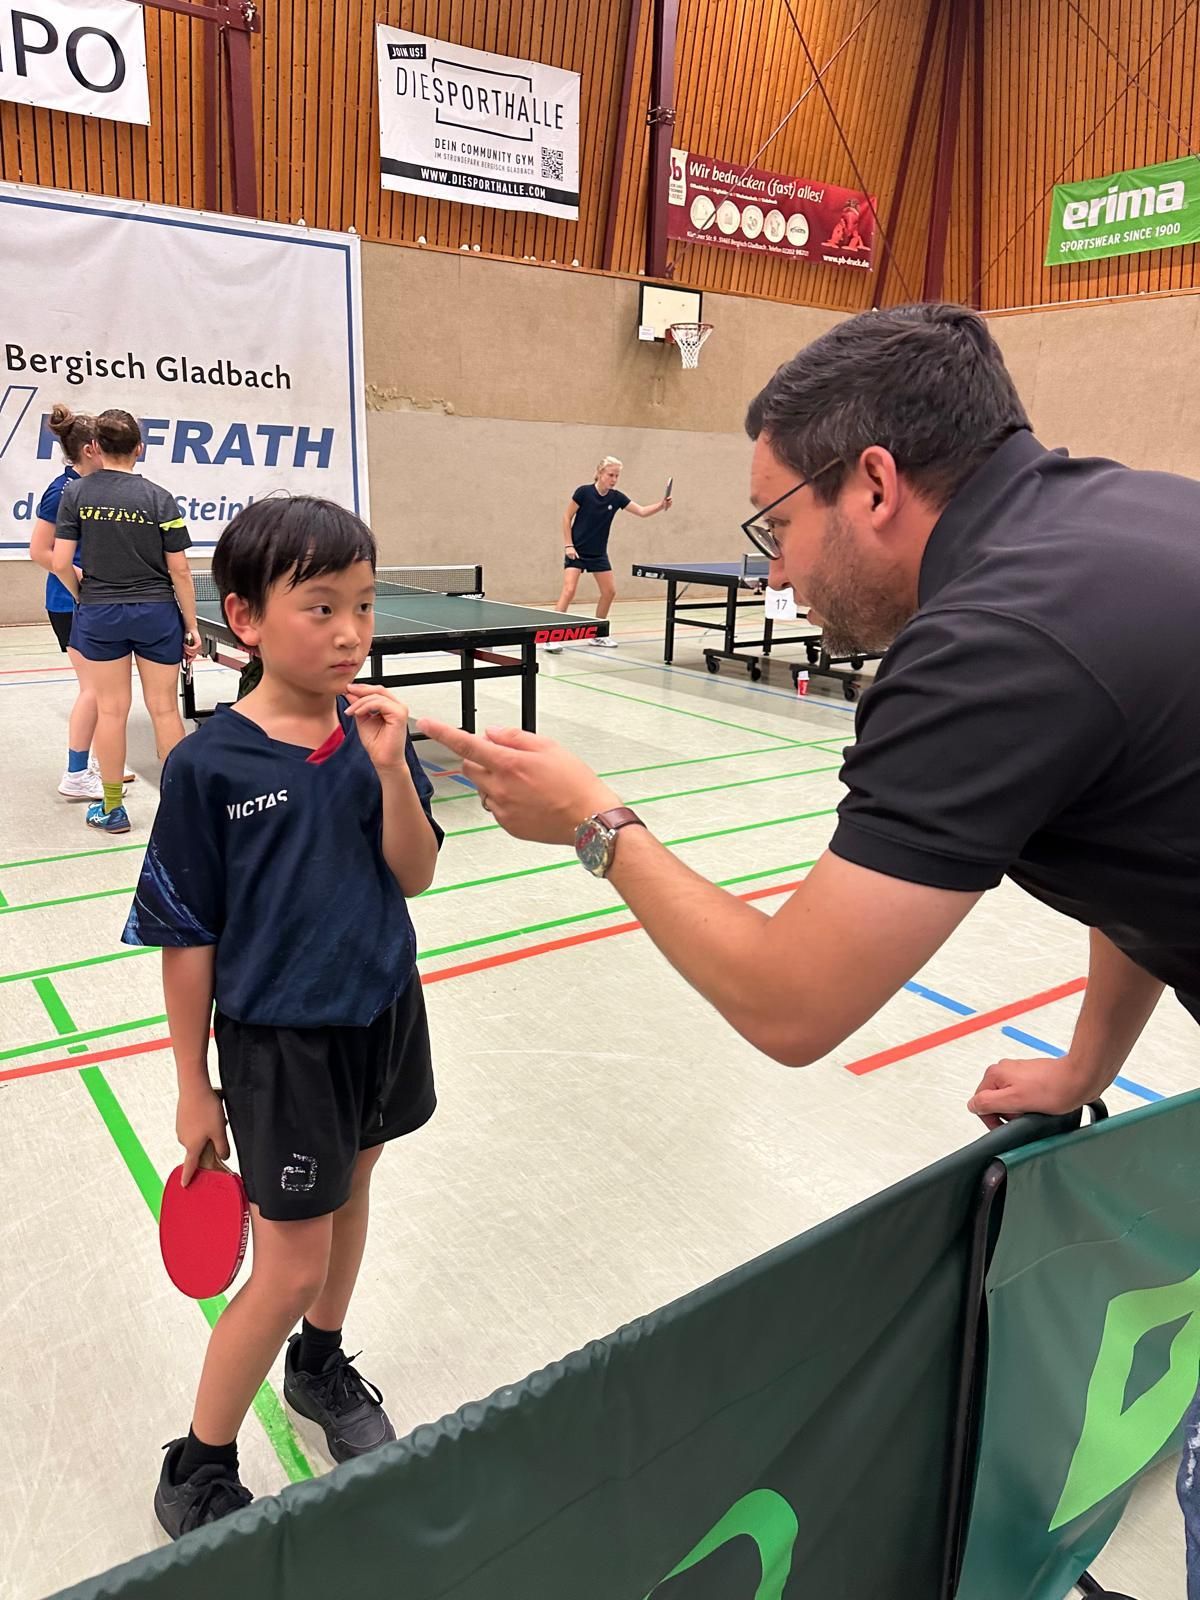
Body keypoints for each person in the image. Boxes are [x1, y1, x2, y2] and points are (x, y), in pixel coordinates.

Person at [420, 302, 1200, 1600]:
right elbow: (1147, 854)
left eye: (775, 522)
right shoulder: (1132, 516)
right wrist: (1085, 1063)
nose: (774, 569)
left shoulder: (991, 643)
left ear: (874, 484)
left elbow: (793, 1003)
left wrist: (595, 823)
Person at [121, 496, 443, 1537]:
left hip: (383, 1009)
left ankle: (319, 1362)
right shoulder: (209, 765)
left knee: (355, 1189)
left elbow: (416, 872)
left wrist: (390, 769)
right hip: (282, 1045)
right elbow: (186, 937)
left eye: (364, 605)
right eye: (322, 607)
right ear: (247, 619)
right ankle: (199, 1465)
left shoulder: (373, 733)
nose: (351, 631)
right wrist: (192, 1085)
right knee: (289, 1261)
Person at [51, 409, 201, 834]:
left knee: (111, 712)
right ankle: (182, 811)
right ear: (140, 448)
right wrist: (191, 624)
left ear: (96, 447)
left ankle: (113, 809)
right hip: (157, 614)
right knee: (165, 709)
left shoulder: (75, 494)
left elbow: (60, 562)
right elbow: (180, 570)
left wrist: (82, 595)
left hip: (101, 614)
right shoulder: (159, 497)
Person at [26, 405, 134, 800]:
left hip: (93, 601)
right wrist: (80, 578)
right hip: (69, 601)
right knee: (95, 690)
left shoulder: (94, 488)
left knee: (102, 689)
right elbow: (40, 550)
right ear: (91, 448)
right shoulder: (62, 491)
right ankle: (75, 774)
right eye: (105, 444)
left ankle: (101, 762)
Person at [545, 456, 671, 652]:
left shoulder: (616, 497)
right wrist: (568, 545)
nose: (614, 479)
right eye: (610, 475)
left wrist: (661, 505)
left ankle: (597, 635)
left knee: (609, 592)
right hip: (577, 551)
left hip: (598, 554)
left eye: (617, 476)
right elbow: (566, 517)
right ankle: (551, 636)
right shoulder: (583, 492)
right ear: (600, 473)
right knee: (569, 590)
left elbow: (641, 511)